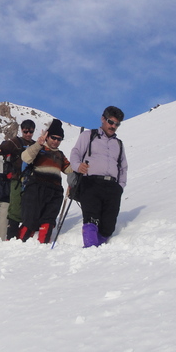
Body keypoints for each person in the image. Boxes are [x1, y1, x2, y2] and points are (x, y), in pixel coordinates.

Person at [69, 106, 128, 248]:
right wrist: (78, 166)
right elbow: (75, 153)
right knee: (91, 218)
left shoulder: (118, 144)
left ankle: (96, 248)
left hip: (112, 187)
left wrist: (120, 186)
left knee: (108, 226)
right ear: (103, 119)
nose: (113, 126)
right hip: (91, 183)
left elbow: (123, 167)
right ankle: (90, 250)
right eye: (111, 122)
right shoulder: (89, 136)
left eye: (117, 124)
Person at [19, 119, 73, 243]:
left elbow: (69, 169)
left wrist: (80, 165)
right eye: (53, 137)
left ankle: (43, 245)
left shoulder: (60, 155)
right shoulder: (39, 148)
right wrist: (38, 144)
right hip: (36, 187)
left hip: (55, 190)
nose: (55, 141)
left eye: (59, 139)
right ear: (47, 136)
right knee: (30, 219)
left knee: (48, 219)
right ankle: (21, 244)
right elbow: (25, 157)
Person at [0, 119, 36, 239]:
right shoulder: (16, 142)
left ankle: (27, 234)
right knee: (15, 207)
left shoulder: (36, 145)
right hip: (17, 180)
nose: (28, 134)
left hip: (32, 181)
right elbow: (4, 148)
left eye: (30, 131)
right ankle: (11, 235)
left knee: (31, 207)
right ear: (22, 130)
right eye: (26, 131)